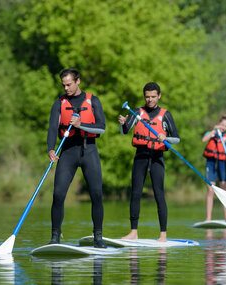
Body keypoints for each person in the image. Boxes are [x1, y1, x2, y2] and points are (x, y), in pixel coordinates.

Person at [47, 68, 107, 248]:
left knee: (96, 194)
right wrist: (50, 149)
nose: (66, 88)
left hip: (89, 151)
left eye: (69, 84)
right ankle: (55, 237)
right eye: (63, 85)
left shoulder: (93, 101)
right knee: (58, 194)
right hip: (67, 151)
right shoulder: (59, 103)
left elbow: (101, 128)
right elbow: (52, 128)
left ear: (78, 81)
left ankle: (98, 237)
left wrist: (82, 125)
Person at [118, 82, 179, 242]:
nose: (150, 99)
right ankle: (133, 232)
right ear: (144, 96)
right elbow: (125, 132)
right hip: (141, 156)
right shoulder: (137, 112)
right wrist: (122, 124)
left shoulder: (166, 114)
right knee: (136, 193)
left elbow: (177, 138)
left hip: (157, 157)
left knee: (159, 195)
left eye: (153, 96)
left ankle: (163, 235)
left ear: (159, 96)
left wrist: (166, 138)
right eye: (147, 97)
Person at [202, 115, 226, 222]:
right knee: (210, 189)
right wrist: (213, 131)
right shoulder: (211, 134)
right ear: (218, 124)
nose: (223, 127)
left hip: (222, 163)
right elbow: (204, 140)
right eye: (222, 125)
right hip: (211, 163)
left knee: (224, 189)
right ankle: (208, 218)